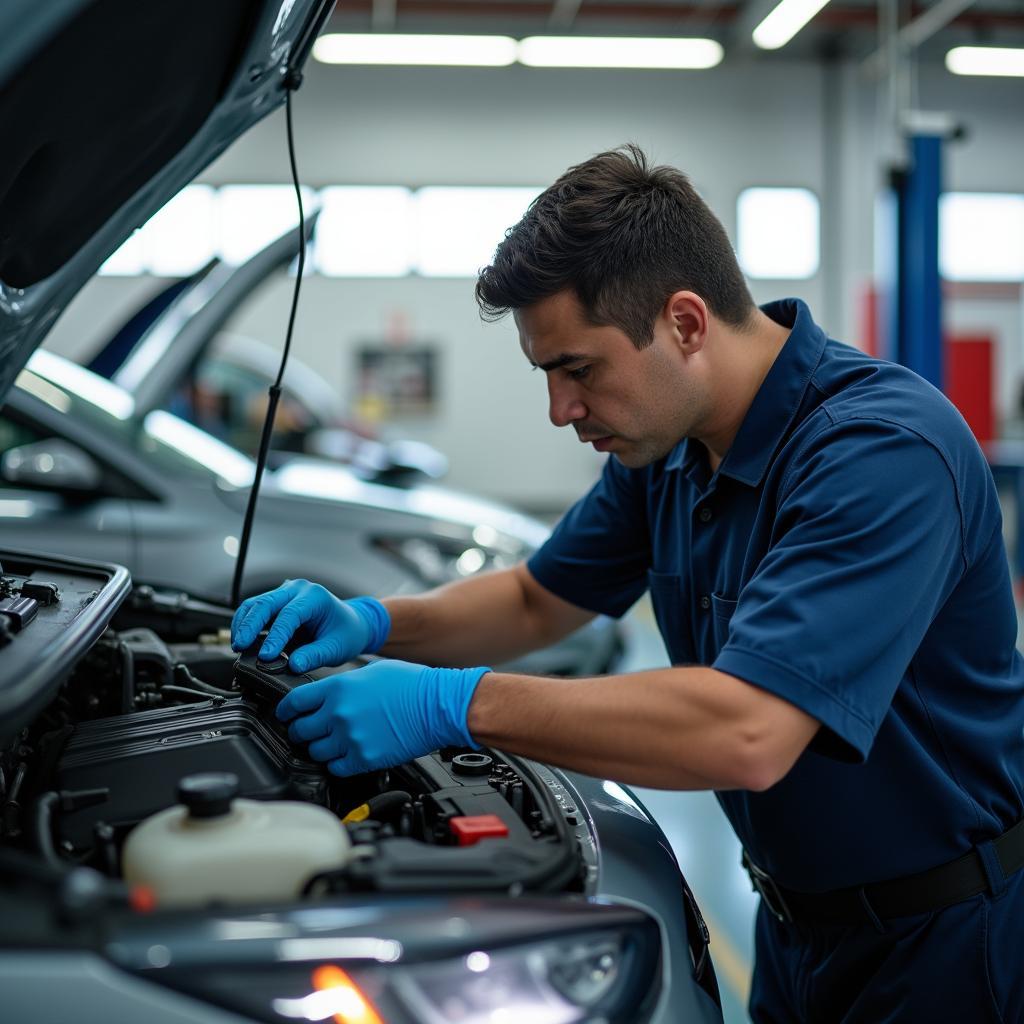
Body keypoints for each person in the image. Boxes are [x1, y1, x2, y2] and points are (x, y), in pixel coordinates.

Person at [231, 145, 1024, 1022]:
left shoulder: (879, 454)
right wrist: (372, 619)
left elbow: (748, 731)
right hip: (799, 933)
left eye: (578, 368)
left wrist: (448, 704)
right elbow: (538, 598)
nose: (561, 409)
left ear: (685, 323)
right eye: (547, 374)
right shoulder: (672, 452)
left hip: (950, 942)